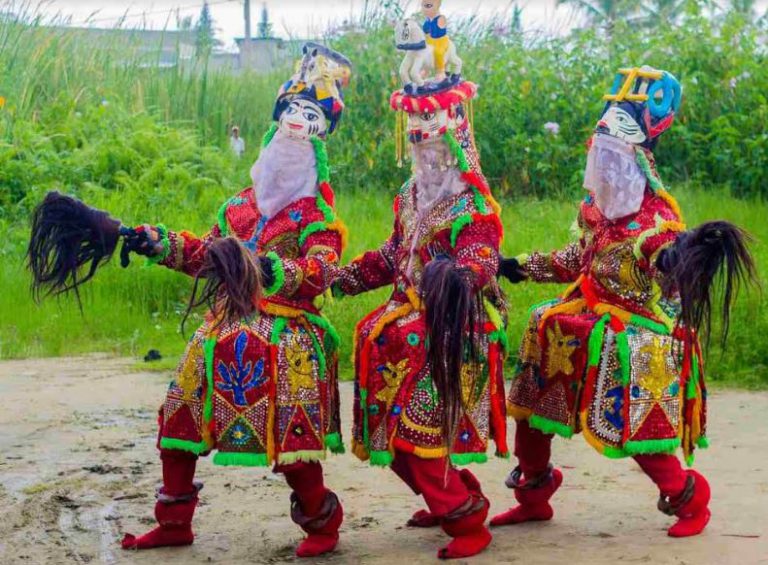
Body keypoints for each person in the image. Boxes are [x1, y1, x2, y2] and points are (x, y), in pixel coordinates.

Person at [494, 66, 756, 538]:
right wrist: (514, 265)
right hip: (589, 310)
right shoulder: (597, 209)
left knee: (624, 368)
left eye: (616, 155)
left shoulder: (654, 214)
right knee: (543, 329)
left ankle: (688, 499)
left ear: (637, 157)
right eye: (602, 153)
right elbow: (576, 258)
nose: (605, 165)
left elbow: (665, 254)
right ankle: (533, 489)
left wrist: (682, 256)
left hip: (636, 325)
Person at [116, 44, 353, 557]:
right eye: (290, 111)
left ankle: (320, 523)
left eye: (309, 116)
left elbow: (321, 271)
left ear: (320, 139)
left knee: (292, 433)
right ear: (274, 125)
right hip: (224, 324)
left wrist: (277, 271)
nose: (296, 123)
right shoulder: (238, 208)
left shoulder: (317, 216)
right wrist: (158, 242)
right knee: (179, 413)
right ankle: (174, 520)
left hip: (290, 328)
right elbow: (208, 254)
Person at [332, 55, 507, 559]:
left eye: (429, 123)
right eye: (413, 123)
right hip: (403, 322)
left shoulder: (474, 205)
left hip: (452, 323)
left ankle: (467, 520)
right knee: (388, 424)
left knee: (414, 418)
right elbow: (393, 254)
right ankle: (454, 493)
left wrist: (458, 275)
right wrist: (344, 279)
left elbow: (481, 257)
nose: (418, 134)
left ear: (454, 131)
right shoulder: (409, 195)